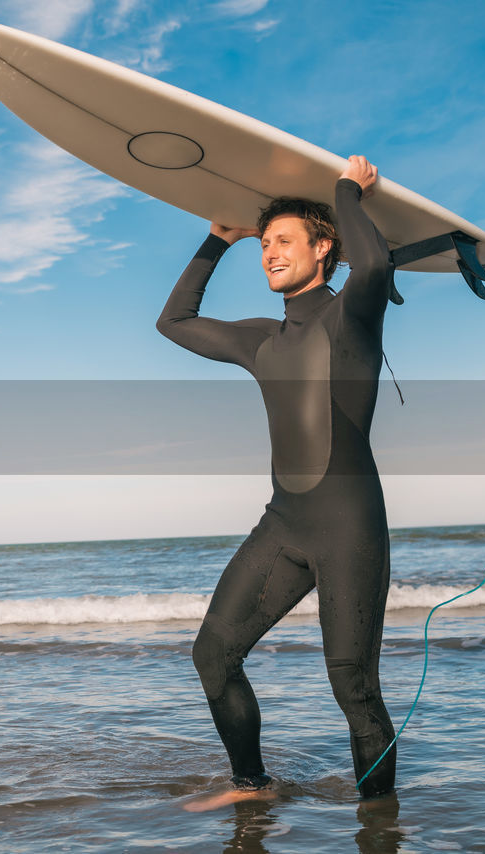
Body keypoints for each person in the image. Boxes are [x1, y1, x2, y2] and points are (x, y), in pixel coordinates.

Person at [157, 156, 397, 806]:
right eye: (264, 245)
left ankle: (380, 827)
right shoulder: (261, 338)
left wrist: (348, 191)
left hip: (350, 526)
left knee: (354, 686)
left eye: (282, 241)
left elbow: (375, 265)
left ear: (324, 248)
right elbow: (172, 323)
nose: (269, 254)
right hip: (285, 525)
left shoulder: (353, 313)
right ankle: (252, 786)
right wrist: (218, 238)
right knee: (213, 653)